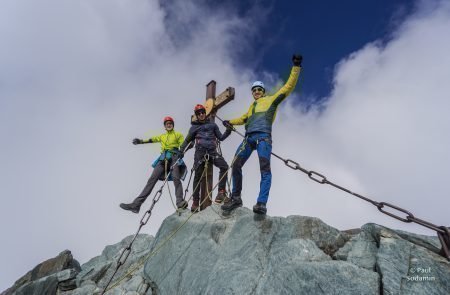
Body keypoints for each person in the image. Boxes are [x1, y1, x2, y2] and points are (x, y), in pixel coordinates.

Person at [221, 54, 303, 215]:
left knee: (264, 170)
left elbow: (288, 87)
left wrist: (296, 67)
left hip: (263, 138)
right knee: (235, 165)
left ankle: (261, 203)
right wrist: (229, 121)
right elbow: (243, 118)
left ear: (263, 91)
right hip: (248, 138)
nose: (256, 92)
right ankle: (236, 197)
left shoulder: (271, 100)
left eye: (259, 89)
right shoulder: (252, 107)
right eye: (254, 90)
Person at [120, 116, 187, 213]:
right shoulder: (162, 136)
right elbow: (152, 140)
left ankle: (180, 202)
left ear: (173, 125)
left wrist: (182, 151)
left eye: (170, 123)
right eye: (167, 124)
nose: (169, 125)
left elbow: (183, 143)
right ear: (165, 126)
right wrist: (140, 141)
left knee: (176, 178)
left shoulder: (178, 135)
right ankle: (136, 205)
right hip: (163, 158)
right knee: (151, 180)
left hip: (174, 157)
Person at [179, 104, 232, 212]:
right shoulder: (194, 128)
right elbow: (187, 140)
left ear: (205, 113)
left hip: (212, 151)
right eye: (199, 113)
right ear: (196, 115)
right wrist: (181, 150)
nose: (201, 114)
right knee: (197, 176)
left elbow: (221, 138)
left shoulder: (213, 125)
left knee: (224, 166)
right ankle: (195, 202)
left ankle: (221, 193)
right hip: (200, 152)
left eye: (203, 112)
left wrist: (228, 130)